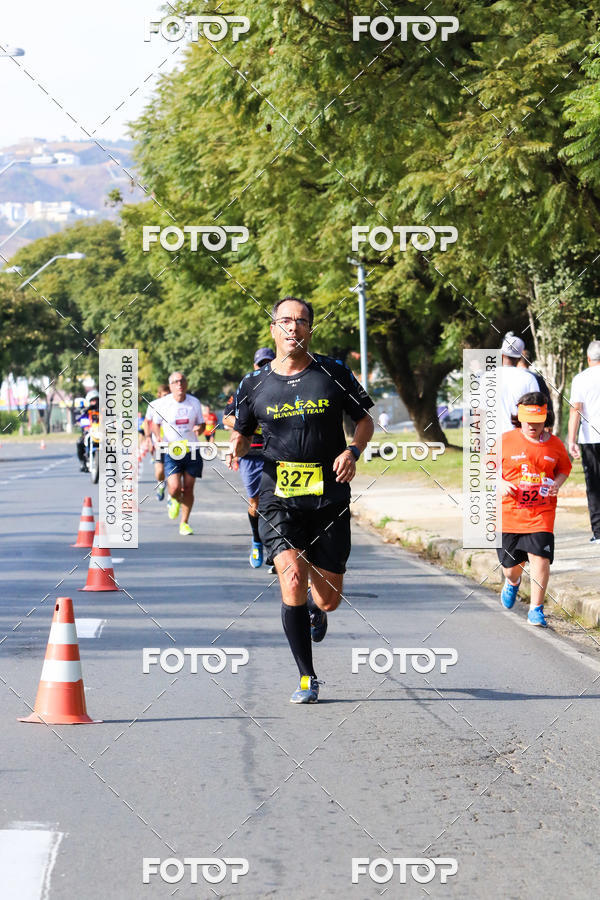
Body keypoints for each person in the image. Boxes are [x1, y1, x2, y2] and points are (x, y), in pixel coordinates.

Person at [230, 297, 375, 703]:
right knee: (291, 577)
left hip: (329, 496)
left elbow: (365, 419)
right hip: (279, 497)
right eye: (285, 321)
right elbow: (241, 430)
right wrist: (236, 445)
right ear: (273, 329)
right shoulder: (253, 383)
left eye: (301, 321)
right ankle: (307, 678)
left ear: (310, 329)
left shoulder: (333, 372)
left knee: (328, 600)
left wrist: (353, 451)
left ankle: (316, 605)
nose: (293, 327)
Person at [498, 392, 572, 627]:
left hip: (542, 513)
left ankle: (536, 609)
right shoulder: (505, 441)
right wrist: (499, 483)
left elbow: (564, 469)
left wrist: (557, 484)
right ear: (519, 418)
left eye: (537, 421)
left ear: (545, 418)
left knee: (540, 558)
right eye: (528, 421)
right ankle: (513, 582)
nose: (532, 426)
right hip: (510, 514)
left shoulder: (555, 444)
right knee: (511, 569)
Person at [223, 347, 276, 569]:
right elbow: (226, 417)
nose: (265, 367)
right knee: (256, 503)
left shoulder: (286, 384)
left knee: (279, 502)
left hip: (279, 452)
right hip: (251, 453)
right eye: (261, 364)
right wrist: (247, 425)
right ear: (255, 366)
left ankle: (277, 551)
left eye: (269, 362)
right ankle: (257, 540)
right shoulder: (247, 386)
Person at [150, 372, 205, 536]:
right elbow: (154, 423)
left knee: (188, 488)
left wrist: (199, 428)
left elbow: (201, 424)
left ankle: (184, 523)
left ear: (186, 383)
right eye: (175, 382)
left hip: (191, 451)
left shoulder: (194, 402)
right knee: (174, 488)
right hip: (171, 451)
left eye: (182, 381)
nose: (179, 384)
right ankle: (174, 498)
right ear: (170, 386)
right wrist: (158, 436)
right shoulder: (164, 403)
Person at [568, 339, 600, 542]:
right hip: (590, 438)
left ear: (588, 358)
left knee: (594, 485)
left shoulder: (580, 379)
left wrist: (571, 440)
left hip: (590, 438)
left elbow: (575, 410)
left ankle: (598, 531)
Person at [497, 332, 539, 432]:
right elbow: (535, 411)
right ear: (520, 358)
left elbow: (479, 413)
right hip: (519, 437)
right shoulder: (529, 379)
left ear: (502, 354)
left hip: (492, 438)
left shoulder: (486, 377)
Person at [144, 383, 170, 500]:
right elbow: (146, 422)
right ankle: (161, 483)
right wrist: (148, 438)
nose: (167, 397)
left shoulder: (175, 405)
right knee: (160, 471)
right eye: (164, 395)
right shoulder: (153, 405)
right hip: (159, 444)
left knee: (174, 472)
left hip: (174, 443)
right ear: (159, 395)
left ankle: (172, 496)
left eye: (168, 395)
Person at [517, 349, 554, 418]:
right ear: (530, 361)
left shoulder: (509, 377)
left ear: (517, 359)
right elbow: (547, 402)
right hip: (533, 418)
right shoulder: (538, 378)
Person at [75, 389, 99, 471]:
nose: (94, 402)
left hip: (101, 432)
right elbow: (79, 419)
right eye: (92, 400)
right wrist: (80, 421)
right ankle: (83, 463)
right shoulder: (86, 411)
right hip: (89, 432)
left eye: (96, 400)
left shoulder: (103, 410)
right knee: (79, 442)